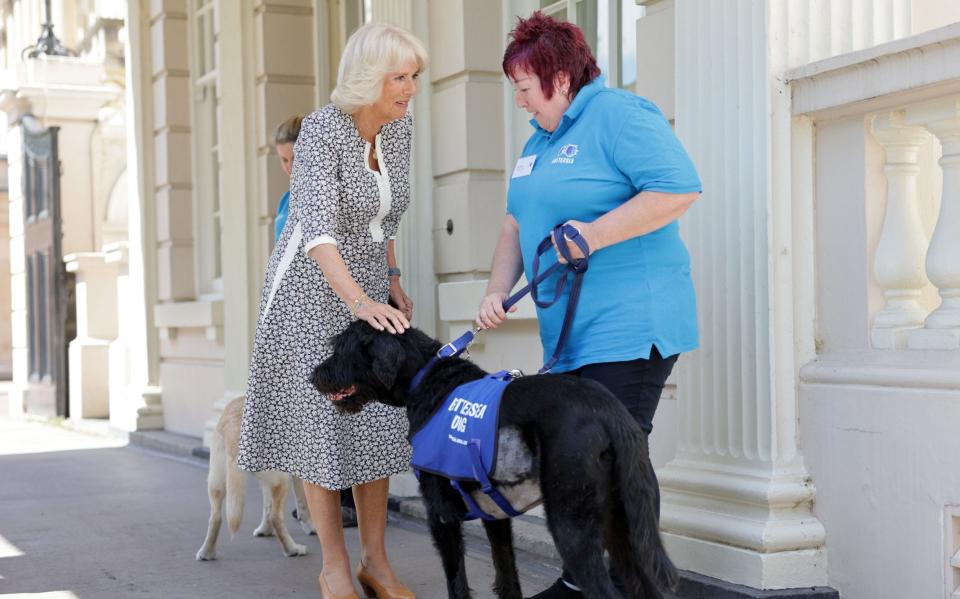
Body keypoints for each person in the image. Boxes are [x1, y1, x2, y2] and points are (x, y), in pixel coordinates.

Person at [475, 12, 702, 599]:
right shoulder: (536, 145)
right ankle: (626, 581)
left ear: (559, 77)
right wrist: (496, 290)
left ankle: (595, 583)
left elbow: (678, 188)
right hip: (572, 338)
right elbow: (513, 225)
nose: (520, 102)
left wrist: (595, 234)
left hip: (632, 325)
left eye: (525, 88)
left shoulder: (620, 116)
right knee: (598, 464)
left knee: (599, 463)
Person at [238, 22, 424, 599]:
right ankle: (334, 567)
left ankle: (377, 562)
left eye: (415, 76)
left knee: (377, 419)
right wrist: (360, 301)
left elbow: (385, 218)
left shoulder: (397, 130)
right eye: (400, 77)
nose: (411, 88)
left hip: (365, 279)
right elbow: (316, 230)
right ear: (369, 77)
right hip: (307, 288)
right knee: (320, 425)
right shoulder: (321, 130)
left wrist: (389, 280)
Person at [272, 114, 360, 529]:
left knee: (340, 401)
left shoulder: (334, 191)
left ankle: (342, 500)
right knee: (308, 409)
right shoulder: (286, 203)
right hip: (295, 315)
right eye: (283, 161)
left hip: (334, 311)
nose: (290, 168)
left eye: (294, 158)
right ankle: (312, 504)